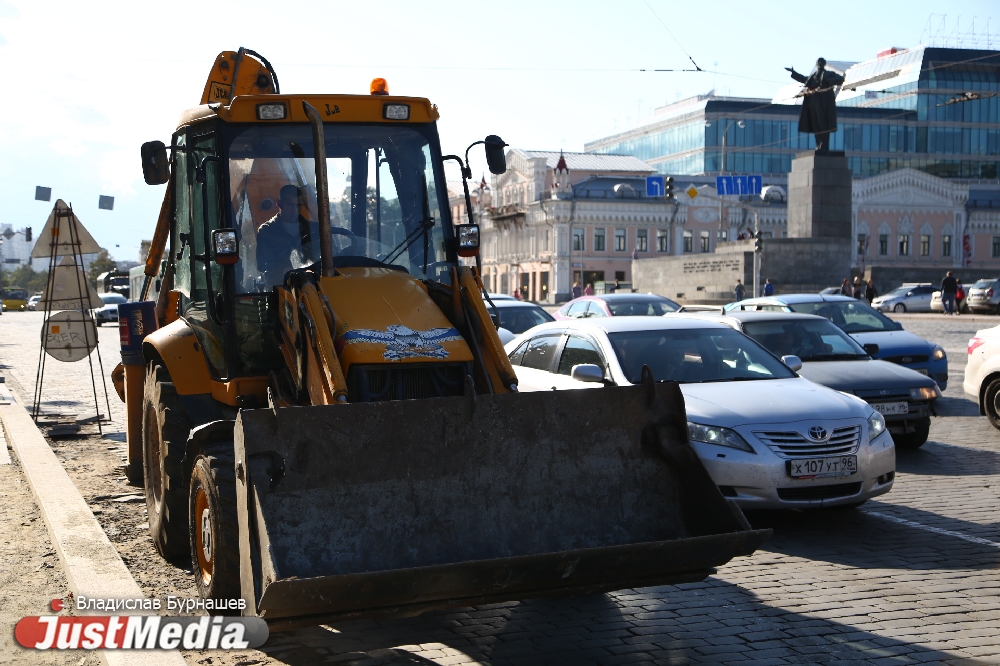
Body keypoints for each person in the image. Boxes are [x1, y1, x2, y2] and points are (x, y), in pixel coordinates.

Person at [256, 184, 320, 280]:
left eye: (298, 205)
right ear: (279, 204)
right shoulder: (267, 231)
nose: (294, 210)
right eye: (290, 205)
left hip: (314, 283)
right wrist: (284, 269)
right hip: (281, 286)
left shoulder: (314, 229)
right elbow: (263, 265)